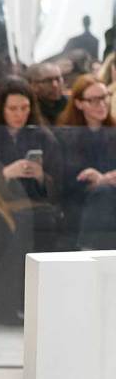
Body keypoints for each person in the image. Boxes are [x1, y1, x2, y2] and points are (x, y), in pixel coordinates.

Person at [0, 78, 62, 323]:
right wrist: (5, 174)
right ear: (1, 109)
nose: (19, 114)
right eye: (12, 109)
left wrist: (41, 176)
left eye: (24, 108)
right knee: (12, 226)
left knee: (43, 223)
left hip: (36, 205)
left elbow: (59, 184)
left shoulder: (43, 137)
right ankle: (6, 305)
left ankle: (40, 303)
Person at [54, 73, 116, 249]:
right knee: (103, 194)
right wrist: (99, 180)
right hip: (80, 201)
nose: (102, 104)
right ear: (79, 103)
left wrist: (105, 178)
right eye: (94, 100)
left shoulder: (113, 132)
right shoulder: (66, 136)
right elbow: (66, 180)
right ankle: (88, 250)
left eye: (104, 97)